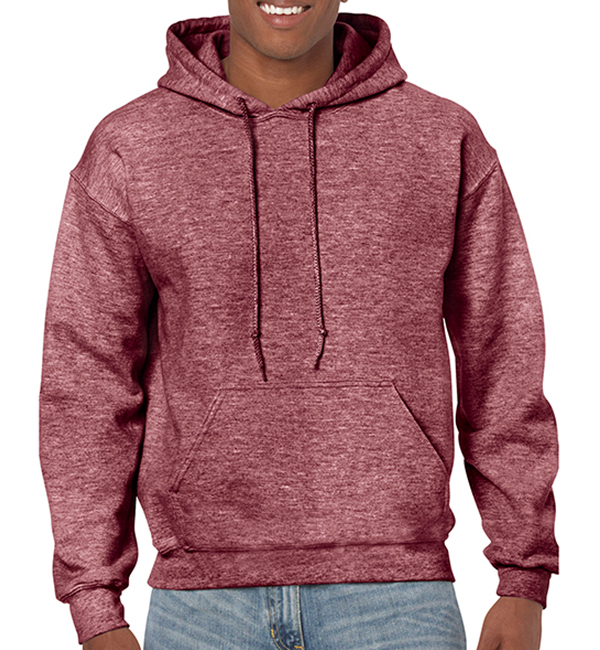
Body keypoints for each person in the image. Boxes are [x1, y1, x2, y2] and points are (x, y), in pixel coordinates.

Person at [39, 1, 559, 649]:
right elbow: (87, 378)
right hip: (202, 607)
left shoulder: (440, 135)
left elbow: (501, 351)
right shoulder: (132, 144)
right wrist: (94, 602)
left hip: (399, 599)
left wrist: (523, 575)